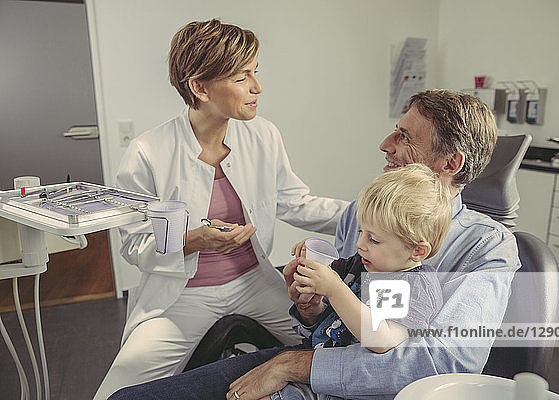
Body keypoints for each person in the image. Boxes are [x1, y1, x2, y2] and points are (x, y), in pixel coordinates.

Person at [108, 89, 520, 400]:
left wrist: (297, 364)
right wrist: (309, 307)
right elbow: (335, 320)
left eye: (404, 135)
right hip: (309, 360)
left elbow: (440, 363)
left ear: (450, 164)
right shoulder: (363, 209)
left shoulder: (487, 247)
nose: (384, 144)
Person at [94, 19, 348, 399]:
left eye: (255, 72)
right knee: (120, 387)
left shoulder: (263, 135)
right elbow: (134, 247)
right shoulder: (148, 152)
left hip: (253, 282)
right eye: (242, 76)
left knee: (337, 345)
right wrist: (193, 240)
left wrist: (368, 213)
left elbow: (294, 201)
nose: (257, 87)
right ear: (199, 86)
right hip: (183, 295)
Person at [291, 163, 451, 356]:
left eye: (373, 239)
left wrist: (334, 288)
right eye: (361, 232)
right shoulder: (359, 263)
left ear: (417, 251)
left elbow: (382, 340)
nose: (359, 244)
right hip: (313, 356)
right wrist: (312, 300)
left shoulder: (414, 285)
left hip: (343, 377)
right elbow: (327, 314)